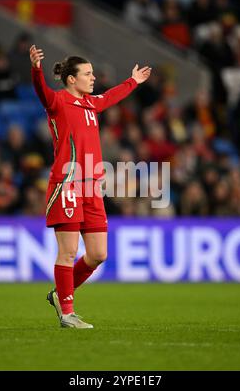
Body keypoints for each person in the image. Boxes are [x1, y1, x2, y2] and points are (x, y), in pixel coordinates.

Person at [30, 45, 151, 328]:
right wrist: (36, 68)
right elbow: (40, 89)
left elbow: (111, 96)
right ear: (72, 79)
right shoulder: (57, 102)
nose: (93, 78)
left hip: (91, 187)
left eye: (92, 73)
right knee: (68, 251)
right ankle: (68, 313)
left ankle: (60, 294)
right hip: (67, 184)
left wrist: (133, 81)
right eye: (87, 73)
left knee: (98, 254)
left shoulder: (90, 104)